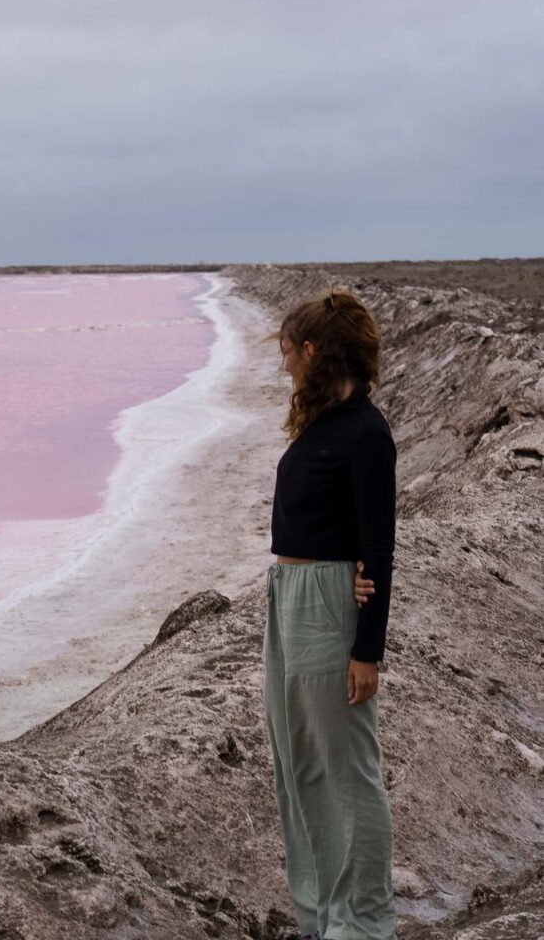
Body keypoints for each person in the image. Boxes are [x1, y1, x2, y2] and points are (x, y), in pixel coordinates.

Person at [261, 287, 397, 940]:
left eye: (288, 352)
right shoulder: (320, 422)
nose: (283, 363)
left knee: (347, 771)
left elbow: (378, 545)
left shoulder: (366, 433)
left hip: (326, 605)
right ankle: (322, 917)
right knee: (300, 764)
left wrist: (366, 649)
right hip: (287, 601)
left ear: (313, 351)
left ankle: (363, 925)